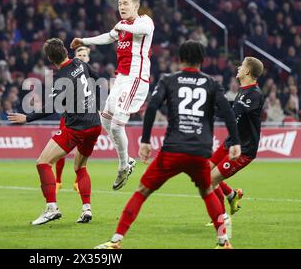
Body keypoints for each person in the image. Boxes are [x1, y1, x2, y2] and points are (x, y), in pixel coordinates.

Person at [95, 40, 241, 249]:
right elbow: (227, 111)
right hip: (200, 151)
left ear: (180, 59)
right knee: (208, 191)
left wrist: (145, 140)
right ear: (203, 60)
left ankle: (116, 240)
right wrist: (235, 140)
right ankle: (223, 241)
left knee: (142, 191)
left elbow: (152, 107)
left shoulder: (169, 80)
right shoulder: (211, 83)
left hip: (173, 150)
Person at [8, 38, 101, 225]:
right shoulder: (79, 63)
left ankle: (51, 208)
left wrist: (27, 118)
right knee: (80, 167)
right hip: (95, 124)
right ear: (66, 51)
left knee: (42, 163)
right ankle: (87, 209)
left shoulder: (60, 78)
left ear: (51, 59)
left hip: (77, 127)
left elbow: (51, 107)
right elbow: (97, 80)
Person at [71, 0, 154, 190]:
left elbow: (138, 30)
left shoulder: (145, 22)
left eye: (126, 3)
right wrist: (84, 41)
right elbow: (108, 37)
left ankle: (123, 166)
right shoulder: (122, 26)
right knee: (105, 120)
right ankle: (127, 162)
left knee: (117, 126)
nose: (122, 7)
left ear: (135, 6)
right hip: (121, 78)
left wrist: (121, 25)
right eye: (119, 3)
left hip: (136, 79)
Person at [208, 57, 264, 220]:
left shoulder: (254, 94)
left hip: (244, 150)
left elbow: (233, 115)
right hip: (231, 143)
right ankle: (232, 196)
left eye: (242, 66)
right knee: (204, 172)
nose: (239, 68)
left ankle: (221, 216)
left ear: (247, 71)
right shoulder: (243, 90)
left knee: (209, 180)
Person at [55, 45, 91, 194]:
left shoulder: (88, 73)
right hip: (69, 117)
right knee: (60, 151)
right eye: (79, 54)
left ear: (88, 58)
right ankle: (58, 181)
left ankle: (77, 181)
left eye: (85, 55)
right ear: (74, 57)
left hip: (86, 118)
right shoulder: (68, 71)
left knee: (82, 153)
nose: (82, 57)